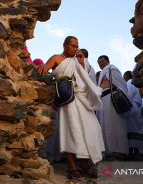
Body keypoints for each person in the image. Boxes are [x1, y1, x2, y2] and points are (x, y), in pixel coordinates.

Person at [38, 36, 104, 179]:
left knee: (88, 129)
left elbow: (85, 79)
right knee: (69, 130)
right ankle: (72, 166)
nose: (75, 48)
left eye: (77, 46)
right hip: (66, 98)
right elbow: (45, 68)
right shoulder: (56, 58)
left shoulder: (77, 61)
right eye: (73, 45)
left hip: (81, 98)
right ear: (65, 45)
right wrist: (43, 67)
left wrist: (81, 62)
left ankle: (85, 164)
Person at [97, 55, 129, 160]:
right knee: (106, 125)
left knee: (116, 124)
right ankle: (110, 151)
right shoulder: (102, 72)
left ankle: (120, 151)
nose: (100, 63)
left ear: (108, 61)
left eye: (102, 61)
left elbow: (121, 84)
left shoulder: (112, 69)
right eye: (98, 62)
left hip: (112, 98)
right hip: (104, 100)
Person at [123, 71, 143, 158]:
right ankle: (141, 150)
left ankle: (134, 151)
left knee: (131, 130)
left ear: (126, 77)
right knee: (139, 129)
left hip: (132, 108)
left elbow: (127, 95)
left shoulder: (129, 83)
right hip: (138, 108)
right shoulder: (136, 84)